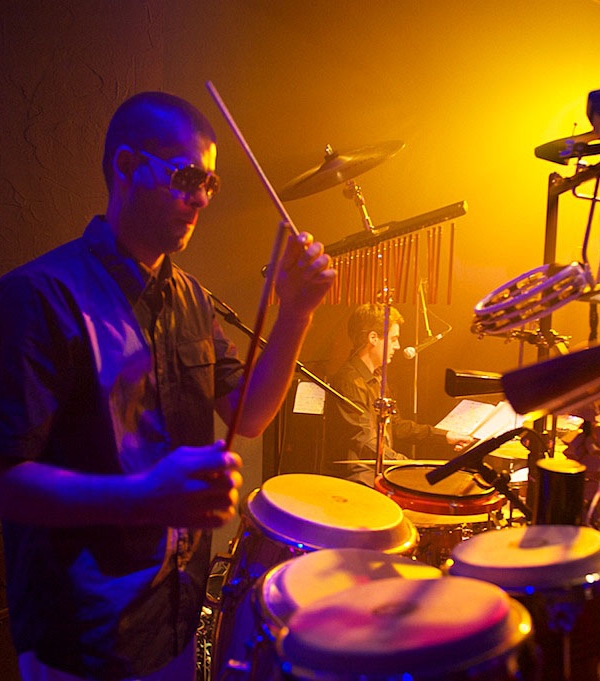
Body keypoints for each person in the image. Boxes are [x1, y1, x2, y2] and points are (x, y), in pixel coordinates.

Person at [0, 91, 335, 681]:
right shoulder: (40, 295)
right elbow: (7, 480)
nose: (201, 198)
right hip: (85, 631)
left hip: (175, 613)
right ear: (127, 166)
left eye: (211, 182)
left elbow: (250, 413)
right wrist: (145, 497)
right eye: (186, 177)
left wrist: (296, 314)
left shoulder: (191, 298)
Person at [322, 303, 472, 486]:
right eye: (393, 339)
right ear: (373, 338)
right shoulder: (349, 381)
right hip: (358, 480)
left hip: (377, 472)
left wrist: (445, 436)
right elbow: (365, 441)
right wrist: (409, 465)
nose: (398, 346)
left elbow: (396, 425)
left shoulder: (378, 377)